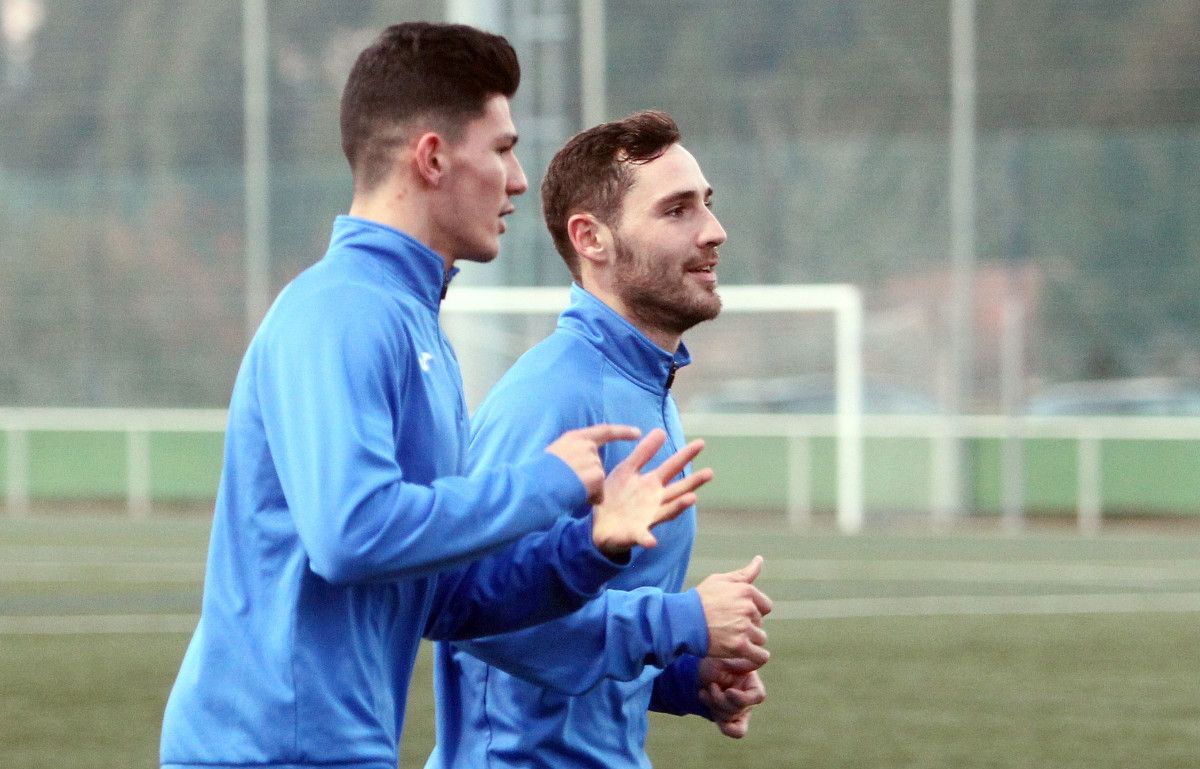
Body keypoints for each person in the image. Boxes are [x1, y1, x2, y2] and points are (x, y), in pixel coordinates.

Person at [159, 25, 714, 769]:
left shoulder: (414, 325)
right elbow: (350, 532)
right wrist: (543, 484)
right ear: (431, 158)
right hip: (266, 753)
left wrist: (590, 546)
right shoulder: (341, 310)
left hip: (340, 751)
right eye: (503, 148)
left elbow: (449, 599)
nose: (519, 179)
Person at [427, 111, 770, 769]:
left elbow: (577, 625)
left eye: (707, 204)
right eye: (677, 210)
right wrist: (681, 623)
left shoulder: (645, 386)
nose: (714, 231)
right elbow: (476, 613)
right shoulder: (551, 396)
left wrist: (682, 678)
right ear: (592, 238)